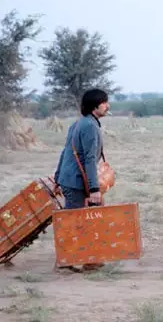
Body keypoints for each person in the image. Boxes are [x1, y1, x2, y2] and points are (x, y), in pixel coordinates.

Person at [53, 88, 110, 272]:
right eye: (104, 102)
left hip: (69, 179)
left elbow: (65, 152)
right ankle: (66, 261)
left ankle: (90, 259)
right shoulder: (90, 126)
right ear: (95, 106)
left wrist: (57, 178)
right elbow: (89, 159)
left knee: (86, 218)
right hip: (76, 181)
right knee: (76, 221)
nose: (107, 106)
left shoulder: (79, 123)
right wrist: (94, 189)